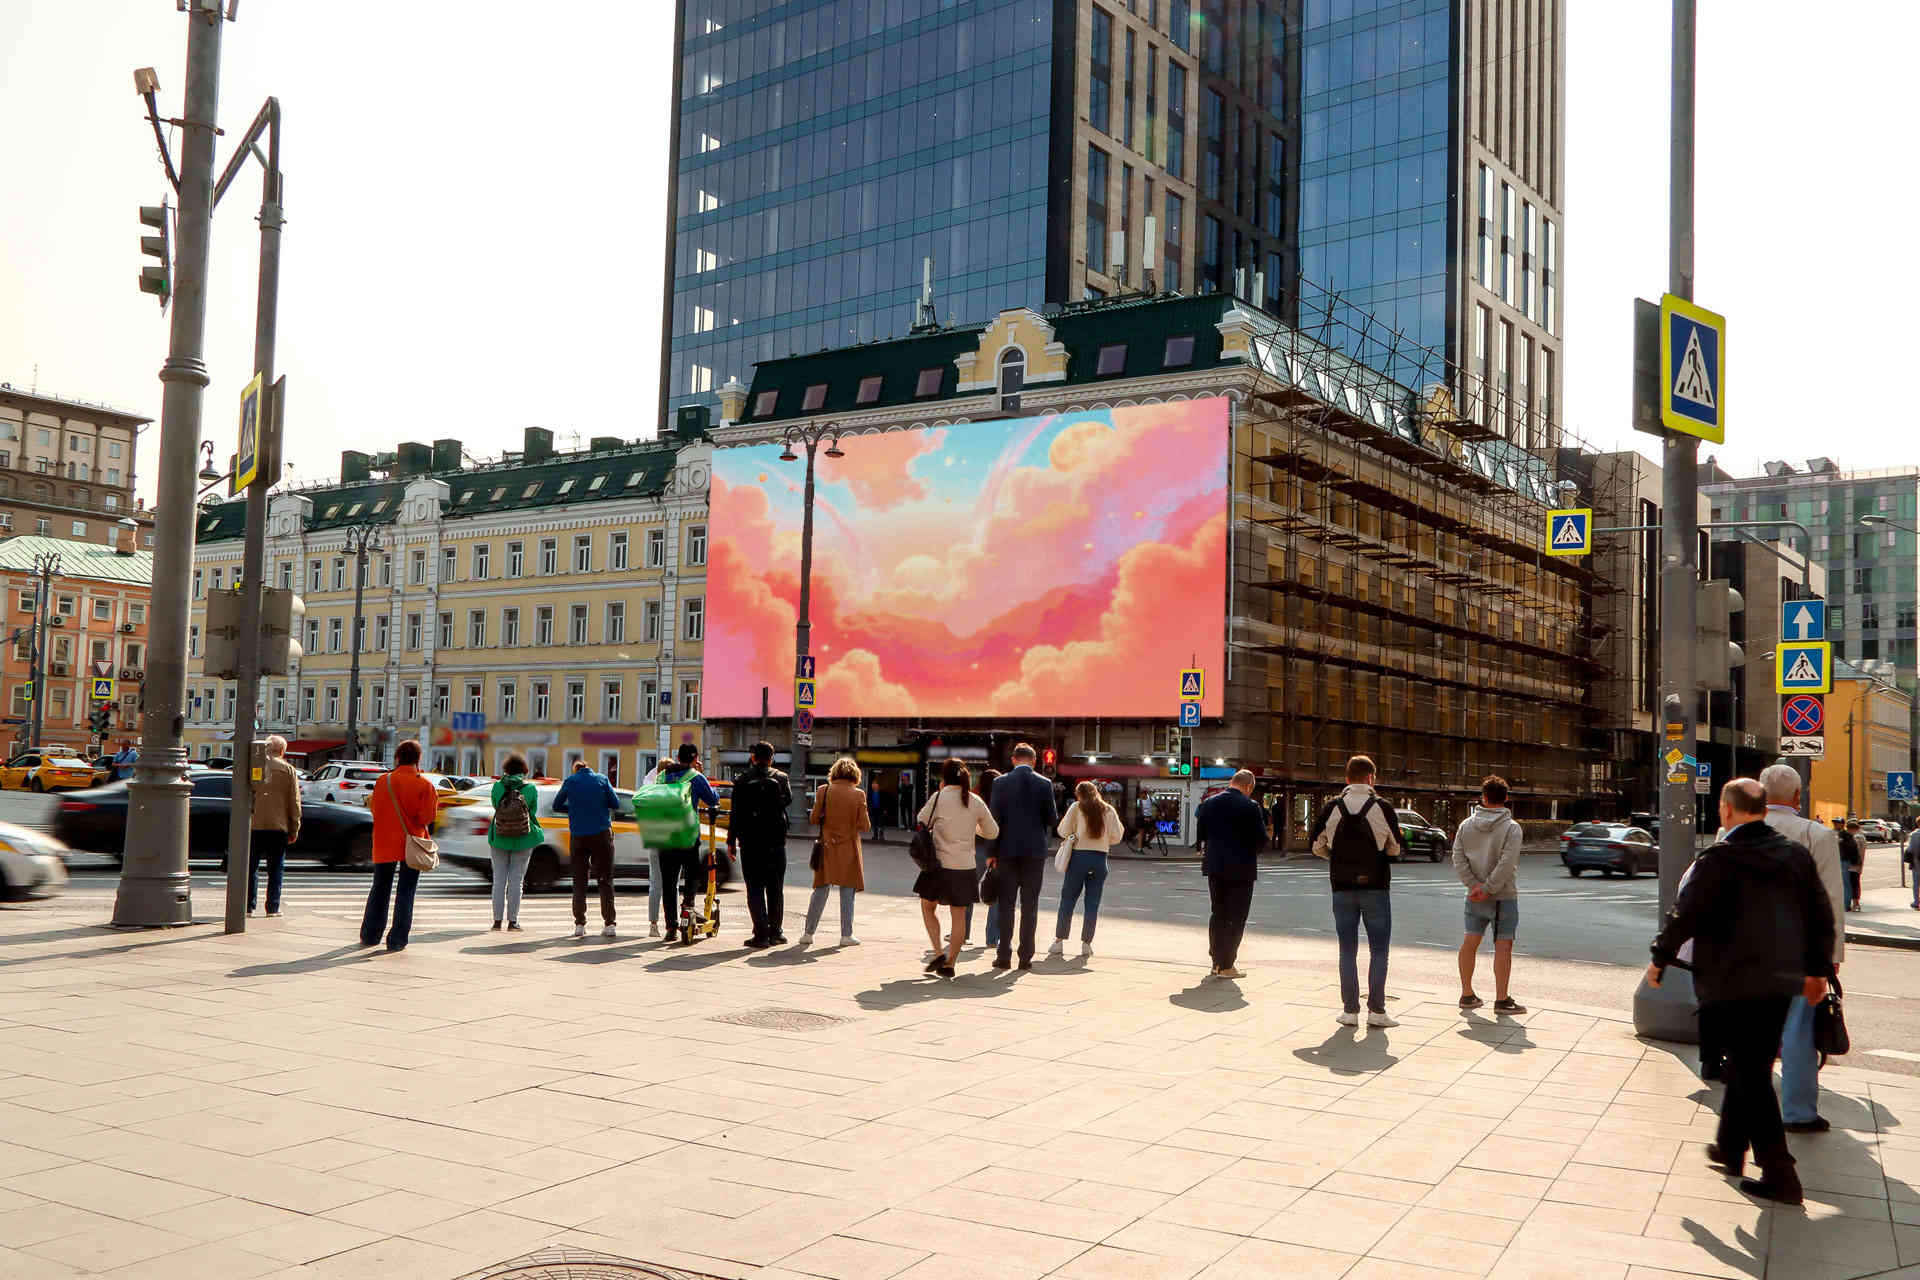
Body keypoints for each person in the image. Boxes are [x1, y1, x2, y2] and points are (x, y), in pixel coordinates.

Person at [1648, 778, 1834, 1204]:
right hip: (1781, 981)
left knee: (1750, 1072)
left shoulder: (1719, 858)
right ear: (1764, 809)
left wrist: (1660, 959)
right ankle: (1730, 1148)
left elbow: (1686, 914)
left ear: (1726, 810)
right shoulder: (1795, 857)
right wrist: (1818, 970)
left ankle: (1780, 1174)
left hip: (1730, 982)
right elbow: (1819, 914)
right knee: (1751, 1061)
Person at [1756, 765, 1845, 1134]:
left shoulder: (1733, 830)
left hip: (1746, 948)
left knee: (1753, 1031)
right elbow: (1831, 900)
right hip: (1799, 949)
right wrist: (1832, 957)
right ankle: (1798, 1112)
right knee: (1798, 1031)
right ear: (1797, 796)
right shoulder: (1817, 834)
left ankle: (1750, 1109)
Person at [1311, 754, 1403, 1027]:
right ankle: (1377, 1011)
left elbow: (1316, 846)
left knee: (1347, 950)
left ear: (1347, 778)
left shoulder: (1332, 807)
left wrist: (1337, 858)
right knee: (1379, 950)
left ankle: (1350, 1011)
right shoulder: (1383, 807)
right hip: (1375, 886)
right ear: (1371, 778)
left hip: (1341, 887)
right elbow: (1395, 848)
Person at [915, 759, 999, 977]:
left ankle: (937, 953)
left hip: (938, 866)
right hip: (965, 866)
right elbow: (993, 832)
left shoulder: (939, 797)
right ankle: (951, 963)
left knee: (927, 907)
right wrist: (973, 827)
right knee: (958, 915)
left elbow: (921, 820)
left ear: (944, 777)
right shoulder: (975, 800)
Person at [1451, 775, 1525, 1014]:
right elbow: (1507, 863)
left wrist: (1474, 885)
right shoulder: (1512, 828)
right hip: (1503, 896)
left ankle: (1466, 994)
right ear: (1506, 798)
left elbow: (1458, 858)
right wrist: (1489, 888)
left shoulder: (1465, 825)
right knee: (1503, 946)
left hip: (1473, 896)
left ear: (1482, 798)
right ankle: (1502, 999)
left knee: (1469, 942)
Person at [360, 739, 437, 952]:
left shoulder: (383, 781)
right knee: (406, 890)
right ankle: (397, 939)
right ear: (418, 759)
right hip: (411, 844)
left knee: (379, 887)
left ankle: (370, 934)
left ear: (398, 757)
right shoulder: (425, 785)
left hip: (384, 842)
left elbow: (376, 810)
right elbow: (427, 817)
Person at [986, 743, 1057, 970]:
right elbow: (1051, 819)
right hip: (1034, 853)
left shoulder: (1000, 783)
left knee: (1006, 904)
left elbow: (994, 820)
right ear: (1034, 761)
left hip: (1006, 852)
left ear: (1014, 759)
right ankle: (1025, 957)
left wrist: (991, 853)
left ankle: (1003, 955)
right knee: (1030, 906)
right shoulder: (1044, 784)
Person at [1195, 769, 1267, 980]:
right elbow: (1261, 839)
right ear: (1249, 787)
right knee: (1237, 916)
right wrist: (1249, 852)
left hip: (1215, 867)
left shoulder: (1209, 803)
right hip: (1241, 869)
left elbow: (1201, 834)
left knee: (1218, 913)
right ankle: (1227, 965)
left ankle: (1216, 961)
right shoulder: (1251, 807)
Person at [728, 741, 793, 948]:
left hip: (751, 843)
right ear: (772, 758)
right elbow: (788, 801)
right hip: (776, 843)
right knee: (776, 889)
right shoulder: (781, 778)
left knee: (754, 888)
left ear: (753, 757)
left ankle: (761, 934)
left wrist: (731, 841)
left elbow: (735, 814)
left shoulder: (742, 780)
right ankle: (776, 933)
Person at [654, 744, 723, 939]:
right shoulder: (695, 777)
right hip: (687, 836)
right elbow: (713, 800)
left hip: (665, 835)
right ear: (695, 759)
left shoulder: (661, 777)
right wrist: (698, 773)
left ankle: (670, 927)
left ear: (677, 757)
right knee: (692, 875)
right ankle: (688, 909)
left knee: (669, 882)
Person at [1050, 781, 1124, 959]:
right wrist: (1104, 841)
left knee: (1068, 898)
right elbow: (1117, 835)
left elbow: (1063, 830)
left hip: (1078, 858)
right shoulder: (1108, 809)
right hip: (1100, 860)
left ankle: (1059, 940)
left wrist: (1074, 836)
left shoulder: (1076, 807)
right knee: (1092, 903)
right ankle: (1086, 943)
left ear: (1079, 795)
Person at [552, 759, 621, 940]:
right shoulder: (602, 779)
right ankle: (609, 924)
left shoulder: (570, 781)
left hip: (578, 836)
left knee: (580, 880)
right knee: (605, 879)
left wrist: (574, 808)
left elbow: (556, 805)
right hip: (601, 834)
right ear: (589, 768)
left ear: (576, 770)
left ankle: (580, 924)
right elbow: (615, 803)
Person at [803, 756, 869, 946]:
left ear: (834, 773)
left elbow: (814, 819)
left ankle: (808, 933)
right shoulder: (858, 795)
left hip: (826, 846)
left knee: (821, 889)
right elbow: (865, 826)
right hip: (849, 848)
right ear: (854, 775)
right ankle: (846, 935)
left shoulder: (823, 791)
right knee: (847, 890)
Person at [487, 754, 544, 932]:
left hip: (500, 836)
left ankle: (497, 921)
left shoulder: (497, 786)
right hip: (523, 838)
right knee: (516, 881)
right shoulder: (530, 788)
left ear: (506, 769)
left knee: (498, 880)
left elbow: (495, 805)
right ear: (523, 770)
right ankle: (513, 921)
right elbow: (532, 811)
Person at [248, 734, 302, 919]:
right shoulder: (288, 770)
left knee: (250, 866)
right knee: (276, 868)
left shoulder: (255, 766)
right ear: (282, 751)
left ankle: (248, 906)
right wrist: (294, 827)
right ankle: (272, 908)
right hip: (278, 826)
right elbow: (294, 802)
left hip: (254, 824)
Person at [962, 767, 1002, 948]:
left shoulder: (974, 799)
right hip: (997, 849)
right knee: (997, 893)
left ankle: (963, 934)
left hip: (976, 847)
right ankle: (992, 939)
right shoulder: (1003, 800)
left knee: (969, 890)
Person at [1841, 820, 1865, 910]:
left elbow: (1854, 851)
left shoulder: (1856, 837)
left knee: (1852, 884)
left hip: (1853, 864)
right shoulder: (1861, 837)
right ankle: (1856, 903)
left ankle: (1855, 903)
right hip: (1857, 863)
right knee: (1855, 883)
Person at [1905, 822, 1920, 910]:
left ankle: (1916, 902)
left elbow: (1910, 849)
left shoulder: (1913, 835)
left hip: (1916, 862)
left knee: (1916, 883)